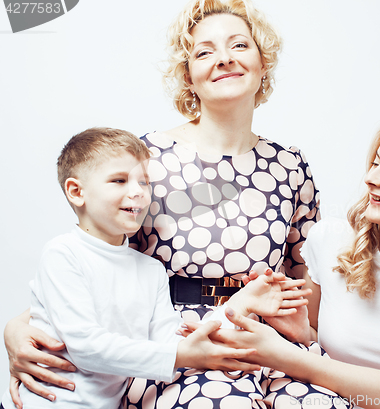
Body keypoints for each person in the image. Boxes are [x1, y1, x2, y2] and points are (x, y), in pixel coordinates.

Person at [3, 1, 349, 408]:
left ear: (262, 62)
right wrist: (18, 325)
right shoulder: (148, 158)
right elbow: (98, 258)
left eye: (239, 45)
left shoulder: (290, 166)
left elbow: (304, 274)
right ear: (189, 76)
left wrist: (305, 337)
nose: (224, 59)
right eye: (204, 52)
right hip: (180, 342)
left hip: (270, 338)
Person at [199, 116, 380, 409]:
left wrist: (281, 354)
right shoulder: (330, 240)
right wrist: (303, 334)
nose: (371, 178)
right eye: (375, 163)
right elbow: (321, 344)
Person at [1, 127, 303, 409]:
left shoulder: (150, 270)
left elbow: (172, 341)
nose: (139, 192)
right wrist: (179, 354)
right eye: (119, 180)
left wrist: (243, 302)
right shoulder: (62, 254)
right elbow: (86, 347)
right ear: (77, 192)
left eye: (144, 182)